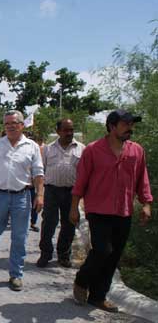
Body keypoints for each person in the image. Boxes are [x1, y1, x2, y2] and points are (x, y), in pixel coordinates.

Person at [70, 109, 153, 312]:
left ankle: (98, 297)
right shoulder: (93, 150)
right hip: (98, 209)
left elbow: (142, 179)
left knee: (114, 255)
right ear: (112, 126)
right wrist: (74, 207)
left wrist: (146, 203)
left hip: (123, 211)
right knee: (102, 250)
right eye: (126, 124)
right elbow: (81, 181)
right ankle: (82, 280)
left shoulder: (136, 151)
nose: (130, 128)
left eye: (131, 124)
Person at [0, 110, 44, 292]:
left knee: (20, 237)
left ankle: (16, 274)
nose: (11, 126)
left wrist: (40, 195)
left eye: (14, 123)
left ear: (22, 125)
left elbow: (38, 173)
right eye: (7, 124)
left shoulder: (32, 146)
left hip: (22, 196)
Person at [37, 119, 85, 269]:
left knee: (69, 224)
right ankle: (45, 253)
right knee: (49, 223)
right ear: (58, 131)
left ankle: (63, 255)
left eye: (71, 130)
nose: (69, 133)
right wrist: (40, 193)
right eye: (65, 130)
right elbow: (41, 170)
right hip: (51, 190)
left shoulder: (81, 149)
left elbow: (84, 173)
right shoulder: (48, 149)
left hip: (72, 192)